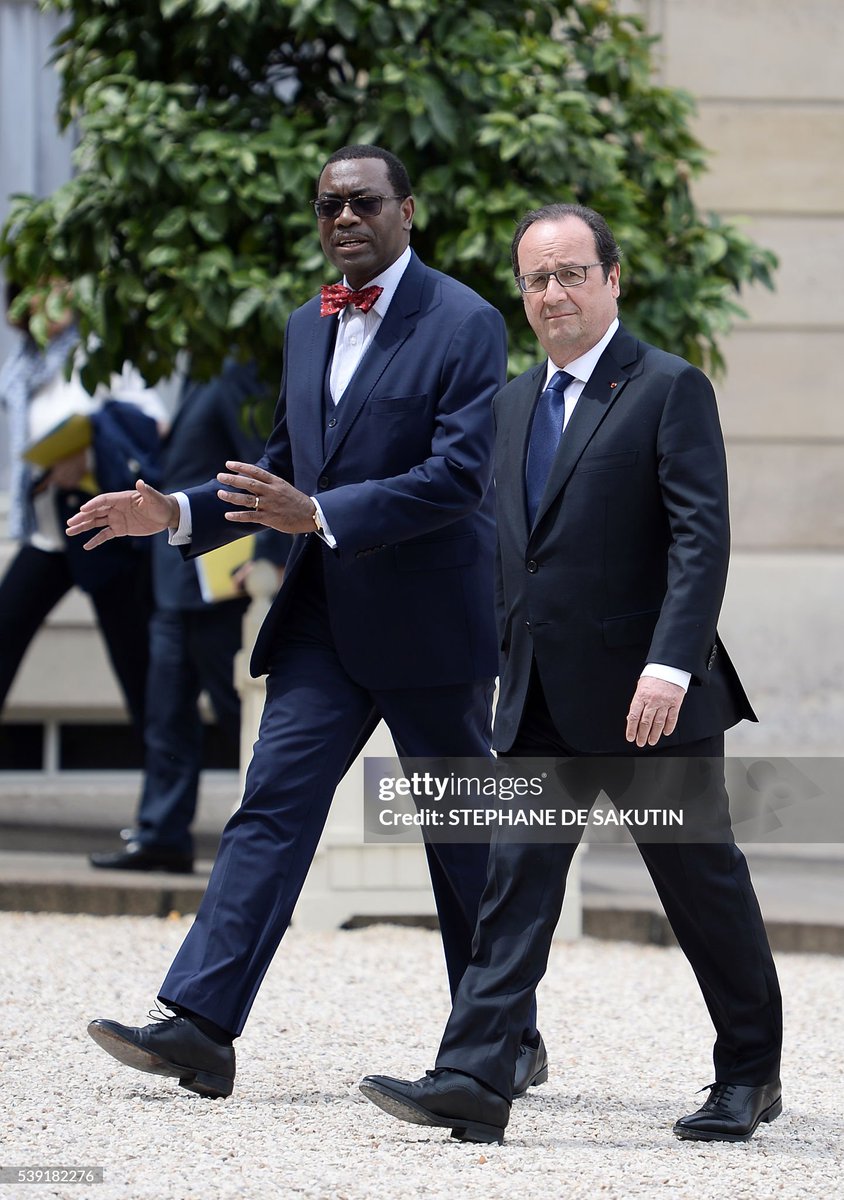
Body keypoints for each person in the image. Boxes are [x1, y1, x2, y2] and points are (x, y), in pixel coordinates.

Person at [68, 145, 542, 1101]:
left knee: (463, 841)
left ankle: (504, 1037)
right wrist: (180, 513)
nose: (343, 218)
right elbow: (280, 468)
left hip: (431, 625)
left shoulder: (467, 321)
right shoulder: (302, 326)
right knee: (271, 809)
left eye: (364, 202)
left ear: (409, 212)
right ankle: (201, 1024)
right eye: (328, 204)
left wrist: (319, 515)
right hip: (325, 621)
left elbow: (457, 478)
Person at [360, 203, 783, 1146]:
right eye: (535, 280)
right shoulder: (512, 404)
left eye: (570, 274)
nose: (552, 293)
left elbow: (698, 541)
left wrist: (671, 664)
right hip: (539, 697)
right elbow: (518, 557)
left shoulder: (669, 388)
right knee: (513, 887)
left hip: (650, 702)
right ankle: (474, 1075)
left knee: (699, 888)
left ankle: (751, 1071)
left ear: (612, 279)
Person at [89, 359, 290, 874]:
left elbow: (265, 468)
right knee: (166, 716)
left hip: (217, 584)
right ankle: (162, 835)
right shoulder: (190, 376)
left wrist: (267, 552)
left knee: (238, 712)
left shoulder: (232, 370)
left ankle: (279, 834)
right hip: (174, 583)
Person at [0, 282, 164, 746]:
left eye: (63, 287)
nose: (56, 300)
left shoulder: (101, 352)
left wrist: (90, 451)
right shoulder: (24, 366)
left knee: (136, 665)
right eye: (41, 290)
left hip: (107, 530)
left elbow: (153, 425)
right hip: (50, 531)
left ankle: (160, 812)